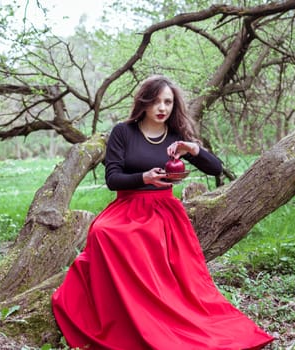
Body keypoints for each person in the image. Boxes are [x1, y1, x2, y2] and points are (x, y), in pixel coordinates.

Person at [52, 75, 274, 349]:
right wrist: (143, 178)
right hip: (128, 204)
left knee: (151, 241)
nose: (162, 107)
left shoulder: (176, 136)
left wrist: (194, 148)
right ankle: (121, 310)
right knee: (103, 232)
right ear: (144, 102)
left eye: (168, 101)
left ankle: (159, 315)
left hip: (164, 209)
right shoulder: (123, 132)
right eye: (156, 101)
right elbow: (113, 179)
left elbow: (215, 169)